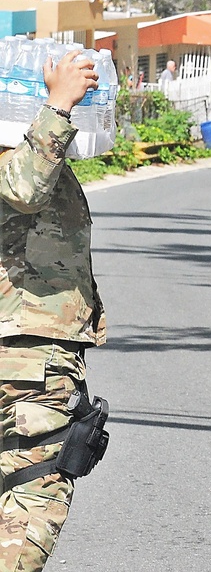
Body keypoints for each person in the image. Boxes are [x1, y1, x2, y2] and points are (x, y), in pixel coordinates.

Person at [0, 51, 106, 571]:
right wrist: (58, 103)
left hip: (25, 356)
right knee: (32, 499)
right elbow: (24, 185)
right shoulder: (11, 158)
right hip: (24, 361)